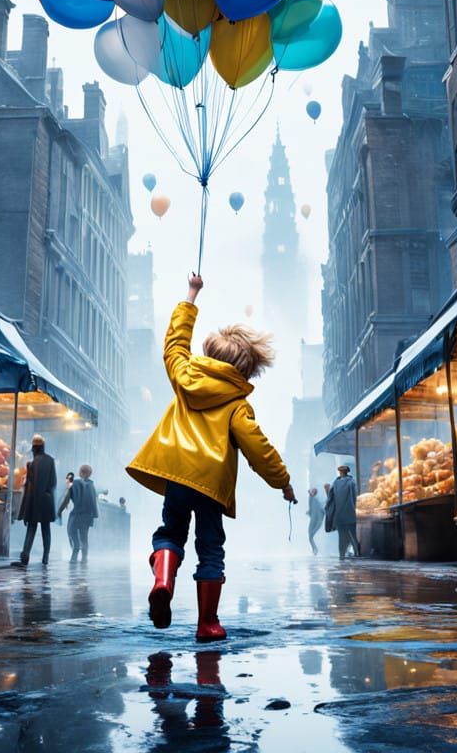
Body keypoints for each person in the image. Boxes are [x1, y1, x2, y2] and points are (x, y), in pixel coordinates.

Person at [127, 273, 296, 642]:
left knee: (170, 532)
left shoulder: (185, 375)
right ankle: (207, 623)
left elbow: (174, 343)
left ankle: (163, 580)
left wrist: (191, 295)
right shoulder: (237, 404)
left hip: (175, 474)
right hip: (210, 486)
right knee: (210, 547)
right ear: (247, 367)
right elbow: (258, 448)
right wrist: (283, 482)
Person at [15, 433, 57, 567]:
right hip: (46, 501)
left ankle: (25, 556)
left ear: (34, 449)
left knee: (31, 528)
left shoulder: (31, 464)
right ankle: (45, 558)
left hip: (33, 502)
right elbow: (53, 482)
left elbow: (29, 487)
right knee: (46, 529)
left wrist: (24, 509)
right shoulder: (51, 460)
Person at [58, 463, 100, 561]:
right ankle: (84, 558)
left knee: (71, 532)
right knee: (84, 537)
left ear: (81, 472)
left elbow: (66, 499)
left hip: (76, 514)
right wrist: (94, 515)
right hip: (87, 516)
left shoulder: (74, 484)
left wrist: (59, 510)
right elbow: (94, 501)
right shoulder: (91, 485)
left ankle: (75, 550)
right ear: (89, 474)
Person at [325, 464, 359, 560]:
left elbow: (330, 499)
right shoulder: (351, 482)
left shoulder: (335, 483)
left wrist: (328, 508)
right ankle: (357, 554)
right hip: (350, 513)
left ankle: (342, 555)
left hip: (339, 515)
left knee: (342, 537)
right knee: (353, 535)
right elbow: (354, 498)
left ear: (341, 472)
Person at [307, 487, 324, 555]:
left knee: (310, 536)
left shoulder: (316, 500)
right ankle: (314, 549)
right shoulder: (311, 499)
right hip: (313, 520)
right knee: (310, 535)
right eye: (312, 491)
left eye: (313, 491)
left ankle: (315, 549)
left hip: (318, 521)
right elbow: (310, 506)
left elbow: (323, 510)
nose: (312, 492)